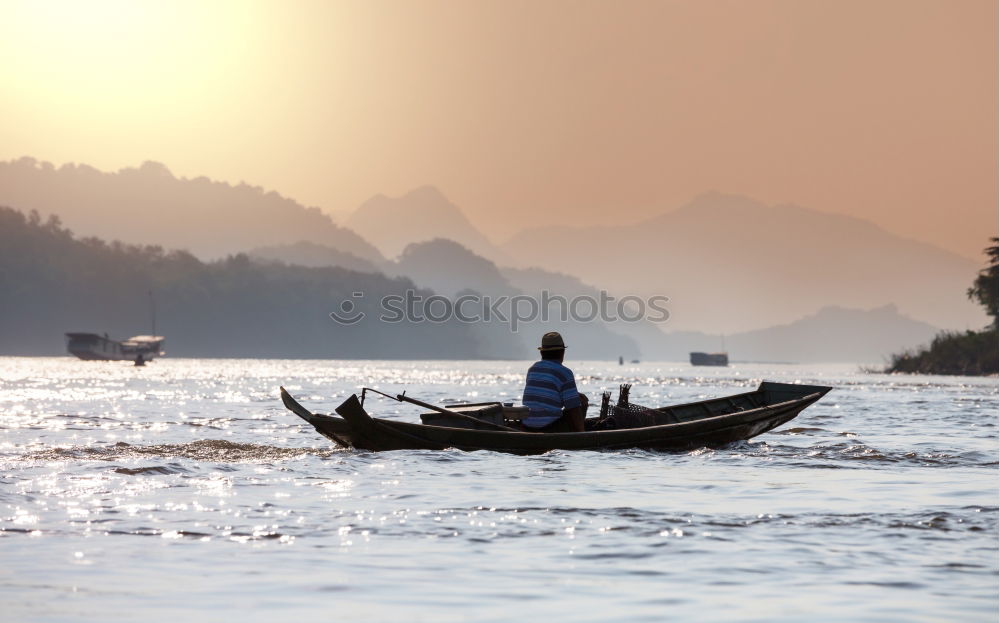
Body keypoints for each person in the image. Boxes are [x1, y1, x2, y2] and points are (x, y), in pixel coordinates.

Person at [521, 332, 588, 432]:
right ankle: (579, 434)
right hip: (550, 428)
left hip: (526, 426)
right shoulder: (565, 373)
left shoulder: (532, 369)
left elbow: (544, 394)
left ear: (542, 353)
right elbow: (573, 407)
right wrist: (583, 436)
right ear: (562, 353)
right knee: (582, 402)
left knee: (575, 398)